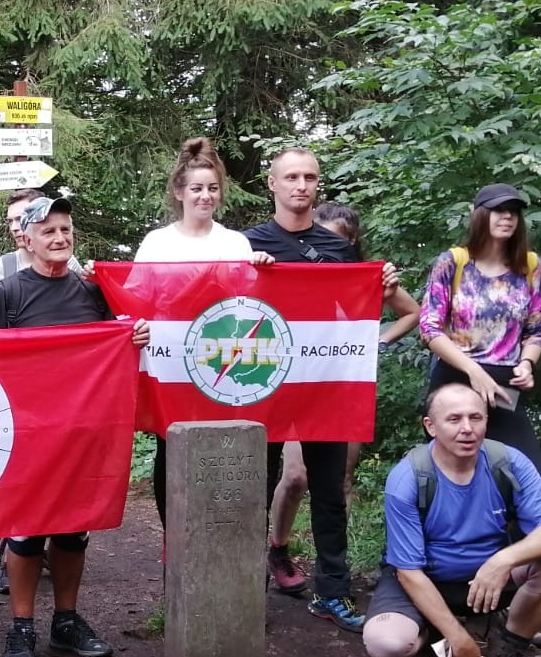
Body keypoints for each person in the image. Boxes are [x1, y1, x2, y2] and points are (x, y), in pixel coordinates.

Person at [0, 195, 150, 657]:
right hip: (27, 435)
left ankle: (66, 620)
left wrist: (134, 337)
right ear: (27, 238)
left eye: (65, 230)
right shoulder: (8, 294)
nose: (59, 238)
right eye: (48, 231)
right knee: (26, 530)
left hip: (82, 432)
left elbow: (118, 342)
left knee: (74, 528)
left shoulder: (92, 292)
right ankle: (21, 626)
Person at [245, 148, 399, 632]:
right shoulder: (247, 243)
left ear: (318, 184)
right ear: (272, 183)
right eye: (291, 176)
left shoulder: (337, 248)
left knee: (330, 491)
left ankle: (333, 592)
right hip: (263, 385)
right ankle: (245, 597)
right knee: (255, 489)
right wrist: (246, 270)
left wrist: (380, 287)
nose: (301, 185)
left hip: (323, 384)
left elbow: (352, 315)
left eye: (309, 177)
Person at [363, 384, 541, 657]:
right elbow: (409, 572)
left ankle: (506, 656)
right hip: (426, 579)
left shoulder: (507, 462)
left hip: (487, 580)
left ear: (486, 421)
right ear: (430, 426)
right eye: (454, 419)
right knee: (387, 645)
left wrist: (502, 560)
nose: (467, 428)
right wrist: (457, 636)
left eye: (476, 417)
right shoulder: (409, 477)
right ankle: (438, 634)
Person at [135, 138, 273, 527]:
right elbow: (137, 298)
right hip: (171, 363)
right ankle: (174, 537)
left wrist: (262, 268)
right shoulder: (157, 243)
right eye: (196, 188)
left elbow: (252, 304)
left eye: (212, 188)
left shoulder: (235, 242)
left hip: (222, 359)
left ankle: (221, 534)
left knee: (225, 446)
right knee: (173, 443)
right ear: (179, 192)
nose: (205, 196)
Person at [269, 202, 421, 541]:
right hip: (299, 384)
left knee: (342, 479)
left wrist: (378, 342)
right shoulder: (294, 271)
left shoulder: (365, 277)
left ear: (350, 241)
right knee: (294, 476)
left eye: (334, 239)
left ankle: (331, 561)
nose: (322, 246)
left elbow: (414, 312)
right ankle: (279, 548)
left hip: (344, 387)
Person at [417, 183, 541, 478]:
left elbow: (537, 330)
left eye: (514, 211)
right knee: (456, 474)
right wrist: (473, 371)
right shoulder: (452, 262)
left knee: (527, 477)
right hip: (456, 377)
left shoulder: (531, 266)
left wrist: (527, 364)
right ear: (480, 215)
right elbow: (429, 328)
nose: (508, 217)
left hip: (504, 384)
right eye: (499, 210)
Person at [0, 188, 83, 330]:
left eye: (20, 219)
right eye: (10, 221)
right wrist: (6, 325)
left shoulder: (68, 262)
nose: (14, 228)